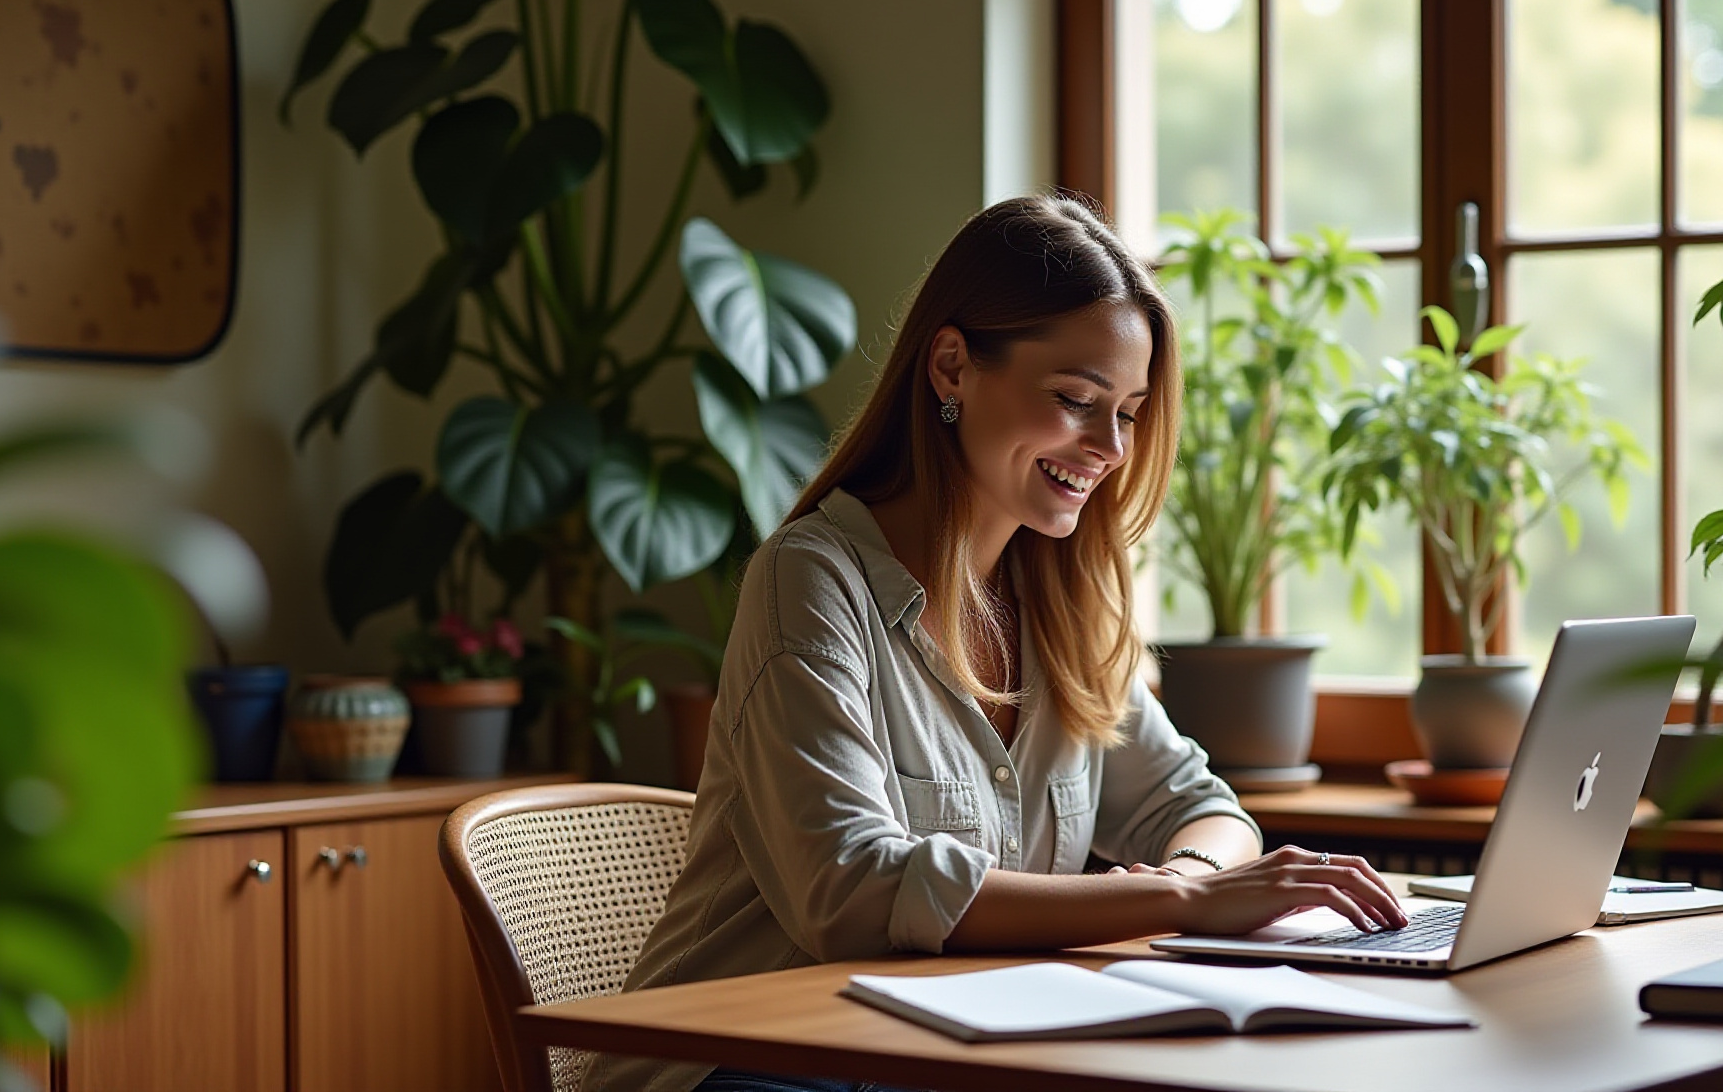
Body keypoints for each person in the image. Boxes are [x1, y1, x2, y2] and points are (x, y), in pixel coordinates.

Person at [580, 195, 1406, 1092]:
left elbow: (1196, 805)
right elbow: (852, 894)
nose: (1109, 448)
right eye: (1076, 401)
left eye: (1127, 412)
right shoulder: (811, 578)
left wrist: (1195, 873)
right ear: (951, 368)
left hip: (941, 1056)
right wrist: (1186, 900)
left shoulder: (1061, 603)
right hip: (748, 1068)